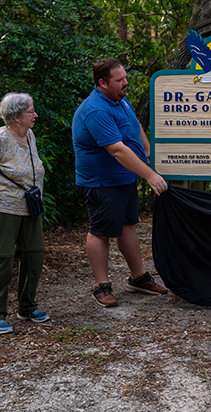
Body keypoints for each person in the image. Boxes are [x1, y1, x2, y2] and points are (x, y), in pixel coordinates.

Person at [73, 57, 169, 308]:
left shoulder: (120, 99)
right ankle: (101, 286)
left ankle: (138, 277)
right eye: (120, 80)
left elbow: (134, 126)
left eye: (125, 77)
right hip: (102, 183)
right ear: (102, 83)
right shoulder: (96, 110)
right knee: (100, 231)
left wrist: (148, 151)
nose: (125, 83)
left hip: (124, 177)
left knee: (128, 225)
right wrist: (149, 174)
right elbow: (116, 149)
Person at [0, 93, 50, 335]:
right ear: (16, 116)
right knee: (0, 260)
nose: (35, 115)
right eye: (30, 111)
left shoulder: (29, 134)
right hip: (2, 209)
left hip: (30, 207)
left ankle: (27, 307)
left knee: (34, 256)